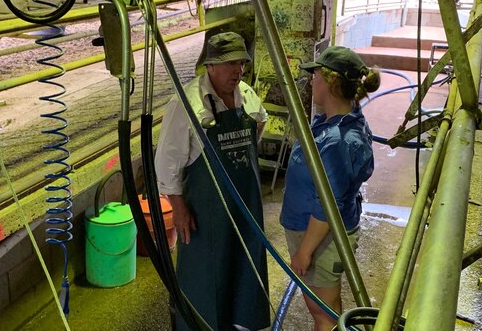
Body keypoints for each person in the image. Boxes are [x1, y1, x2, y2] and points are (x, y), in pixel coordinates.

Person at [155, 32, 270, 331]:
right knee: (207, 275)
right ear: (211, 66)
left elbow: (260, 123)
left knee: (244, 269)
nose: (239, 71)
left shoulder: (246, 94)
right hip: (207, 212)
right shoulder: (187, 104)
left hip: (246, 203)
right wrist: (178, 208)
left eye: (242, 63)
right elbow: (166, 164)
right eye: (231, 63)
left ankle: (240, 324)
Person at [279, 45, 379, 331]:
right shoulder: (333, 122)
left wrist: (305, 252)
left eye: (317, 75)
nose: (313, 81)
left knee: (322, 312)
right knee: (327, 307)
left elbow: (328, 206)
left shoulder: (339, 141)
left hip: (319, 238)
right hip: (312, 231)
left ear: (332, 82)